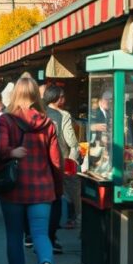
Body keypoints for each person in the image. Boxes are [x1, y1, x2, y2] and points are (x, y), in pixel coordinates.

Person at [0, 75, 63, 264]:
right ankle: (46, 262)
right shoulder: (48, 123)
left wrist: (11, 152)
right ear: (36, 96)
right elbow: (56, 161)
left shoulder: (6, 121)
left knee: (14, 236)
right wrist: (58, 189)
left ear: (15, 94)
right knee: (40, 233)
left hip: (13, 189)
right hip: (42, 189)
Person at [44, 84, 80, 236]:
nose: (64, 99)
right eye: (63, 96)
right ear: (57, 99)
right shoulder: (64, 115)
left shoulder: (40, 112)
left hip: (43, 161)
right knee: (72, 193)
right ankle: (75, 221)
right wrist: (73, 160)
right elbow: (72, 142)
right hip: (62, 160)